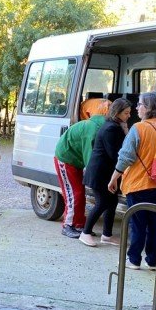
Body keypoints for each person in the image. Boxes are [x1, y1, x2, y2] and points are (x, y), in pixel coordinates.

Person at [108, 92, 156, 270]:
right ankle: (153, 261)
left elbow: (125, 157)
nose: (137, 107)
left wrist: (113, 179)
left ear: (149, 108)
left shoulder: (138, 129)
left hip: (139, 184)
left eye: (140, 104)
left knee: (138, 224)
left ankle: (134, 260)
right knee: (155, 224)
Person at [53, 99, 110, 238]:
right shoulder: (93, 130)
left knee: (79, 193)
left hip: (74, 161)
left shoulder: (98, 125)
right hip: (65, 159)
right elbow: (90, 157)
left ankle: (79, 225)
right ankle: (68, 225)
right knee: (74, 194)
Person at [79, 98, 131, 247]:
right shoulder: (111, 128)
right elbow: (115, 154)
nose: (128, 116)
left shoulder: (113, 125)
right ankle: (85, 232)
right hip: (100, 173)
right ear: (117, 112)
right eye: (126, 113)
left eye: (129, 113)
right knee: (102, 203)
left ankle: (107, 235)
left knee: (112, 202)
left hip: (105, 173)